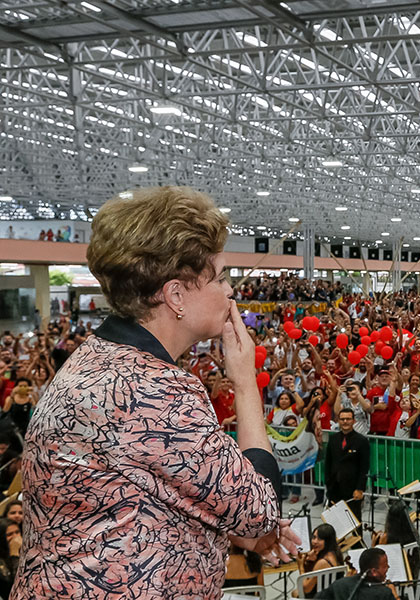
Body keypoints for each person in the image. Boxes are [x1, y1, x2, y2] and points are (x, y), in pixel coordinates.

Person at [12, 187, 298, 598]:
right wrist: (245, 380)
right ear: (175, 295)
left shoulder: (96, 358)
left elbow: (131, 496)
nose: (230, 291)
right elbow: (260, 510)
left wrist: (224, 529)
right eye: (220, 277)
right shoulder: (152, 391)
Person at [324, 408, 370, 521]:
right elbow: (328, 463)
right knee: (336, 521)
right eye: (342, 419)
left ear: (353, 421)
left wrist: (360, 488)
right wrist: (328, 483)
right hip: (334, 487)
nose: (345, 422)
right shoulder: (333, 439)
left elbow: (364, 467)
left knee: (353, 520)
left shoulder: (362, 441)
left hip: (352, 488)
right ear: (338, 421)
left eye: (348, 419)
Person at [315, 547, 398, 600]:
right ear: (373, 572)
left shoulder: (339, 585)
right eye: (385, 566)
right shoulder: (384, 593)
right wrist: (395, 594)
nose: (388, 567)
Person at [299, 524, 344, 597]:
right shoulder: (336, 553)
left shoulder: (322, 563)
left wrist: (301, 565)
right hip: (334, 595)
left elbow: (306, 589)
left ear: (327, 541)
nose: (315, 541)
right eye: (314, 537)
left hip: (321, 596)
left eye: (319, 539)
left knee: (296, 593)